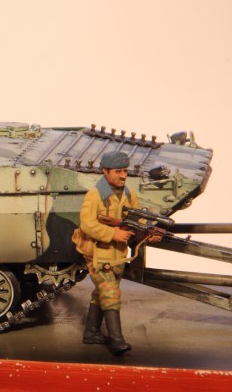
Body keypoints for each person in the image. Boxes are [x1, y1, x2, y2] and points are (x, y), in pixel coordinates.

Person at [72, 151, 160, 355]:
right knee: (110, 293)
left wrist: (149, 233)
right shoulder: (95, 194)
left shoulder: (129, 194)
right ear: (105, 171)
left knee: (101, 293)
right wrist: (113, 233)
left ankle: (91, 332)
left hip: (117, 254)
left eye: (125, 171)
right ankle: (117, 341)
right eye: (118, 171)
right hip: (98, 253)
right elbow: (87, 224)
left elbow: (138, 220)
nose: (123, 175)